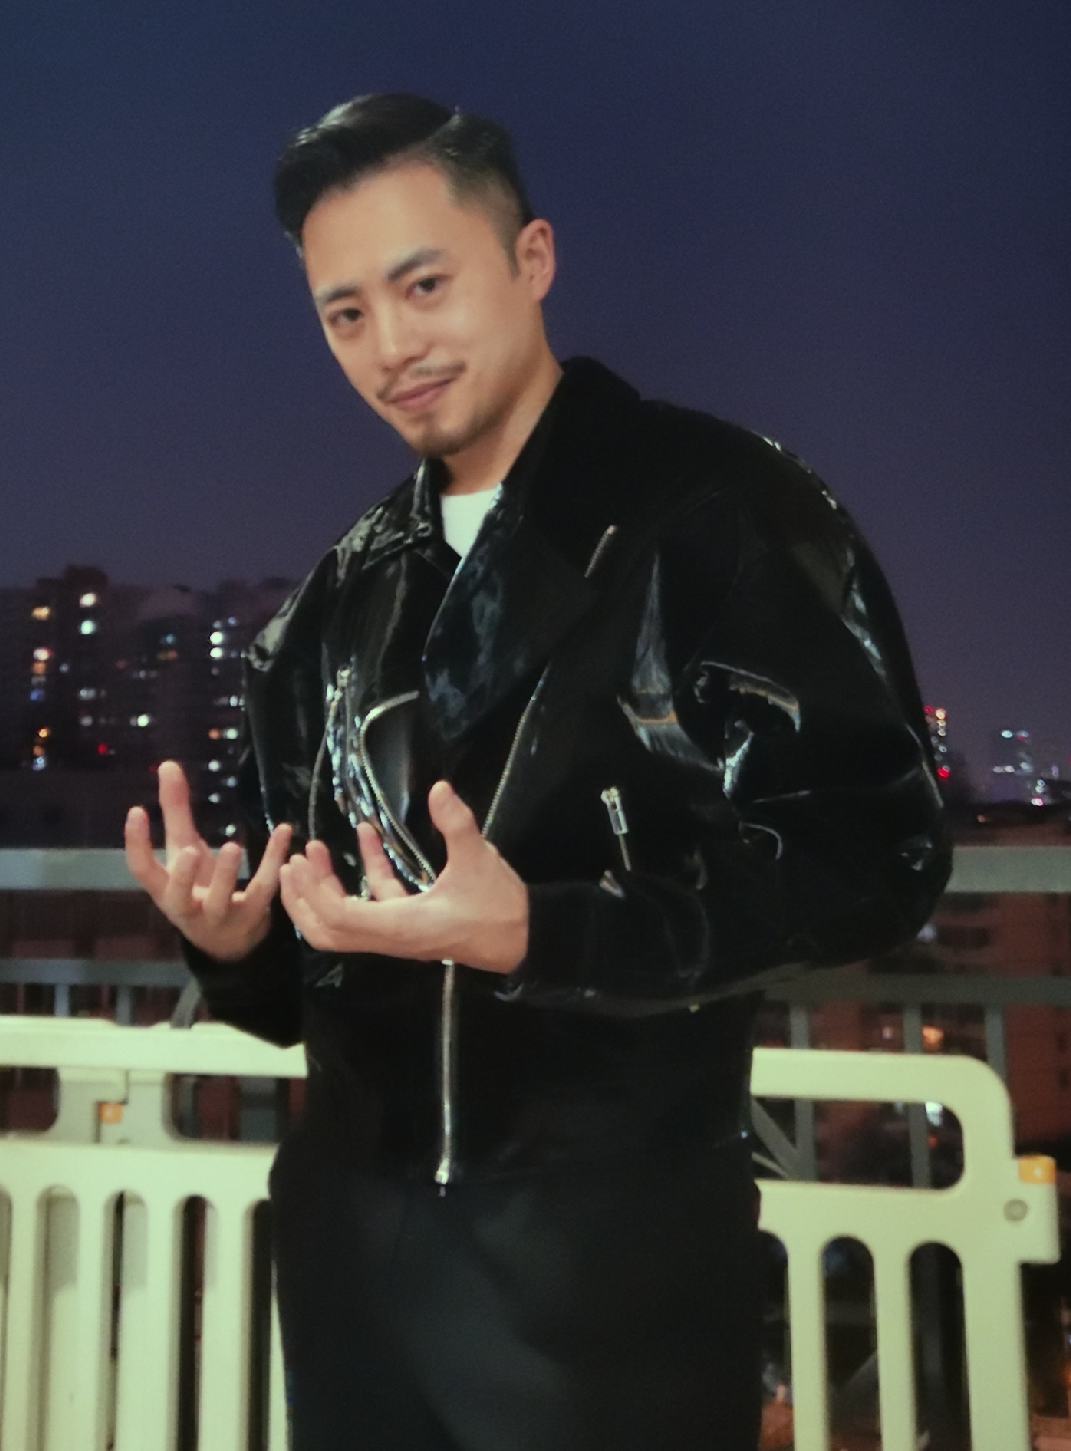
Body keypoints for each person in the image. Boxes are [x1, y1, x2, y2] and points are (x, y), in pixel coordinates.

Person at [125, 93, 951, 1451]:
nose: (392, 346)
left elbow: (876, 854)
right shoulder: (331, 605)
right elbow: (315, 984)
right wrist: (232, 943)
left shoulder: (719, 512)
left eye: (424, 286)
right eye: (345, 313)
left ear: (532, 259)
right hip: (349, 1248)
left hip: (607, 1262)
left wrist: (547, 932)